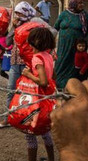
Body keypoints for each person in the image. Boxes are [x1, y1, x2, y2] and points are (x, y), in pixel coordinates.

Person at [0, 1, 36, 128]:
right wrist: (12, 28)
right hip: (15, 63)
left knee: (29, 93)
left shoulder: (34, 26)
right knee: (10, 91)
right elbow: (7, 42)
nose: (17, 16)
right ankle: (7, 119)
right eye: (16, 13)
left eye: (20, 13)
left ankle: (29, 118)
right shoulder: (16, 26)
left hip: (28, 64)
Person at [20, 28, 56, 161]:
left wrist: (28, 74)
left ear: (35, 41)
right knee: (45, 131)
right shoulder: (49, 56)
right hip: (47, 99)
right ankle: (51, 158)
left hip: (37, 100)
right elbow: (52, 77)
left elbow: (43, 81)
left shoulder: (37, 58)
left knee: (30, 132)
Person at [54, 0, 88, 90]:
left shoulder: (84, 15)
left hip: (77, 46)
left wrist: (85, 42)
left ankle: (72, 85)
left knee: (75, 64)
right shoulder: (64, 14)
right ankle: (58, 84)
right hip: (63, 46)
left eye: (82, 3)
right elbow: (55, 27)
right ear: (73, 4)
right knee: (61, 62)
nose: (82, 5)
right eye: (79, 3)